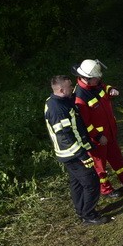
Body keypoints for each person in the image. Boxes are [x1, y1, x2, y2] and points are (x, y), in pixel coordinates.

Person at [45, 75, 108, 225]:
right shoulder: (58, 110)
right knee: (91, 182)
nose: (72, 88)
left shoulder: (56, 101)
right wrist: (82, 155)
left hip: (70, 153)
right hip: (73, 154)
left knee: (77, 184)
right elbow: (66, 136)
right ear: (61, 90)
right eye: (69, 87)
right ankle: (89, 214)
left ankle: (81, 210)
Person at [74, 59, 123, 198]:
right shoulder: (80, 98)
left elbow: (104, 87)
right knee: (99, 165)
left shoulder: (95, 85)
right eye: (96, 78)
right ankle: (106, 189)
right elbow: (84, 124)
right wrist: (97, 136)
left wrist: (111, 90)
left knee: (117, 158)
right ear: (86, 78)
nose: (99, 80)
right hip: (99, 139)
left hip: (109, 132)